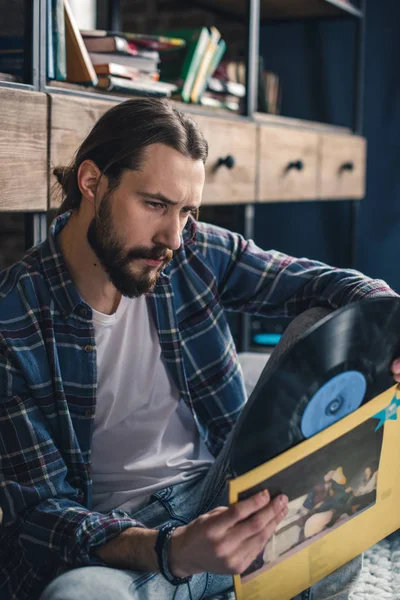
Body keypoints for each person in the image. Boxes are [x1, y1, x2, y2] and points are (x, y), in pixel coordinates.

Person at [0, 98, 399, 600]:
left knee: (327, 323)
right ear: (91, 182)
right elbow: (40, 516)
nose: (172, 236)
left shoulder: (192, 250)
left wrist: (393, 324)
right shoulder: (13, 317)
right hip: (126, 539)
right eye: (155, 205)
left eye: (187, 211)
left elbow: (314, 281)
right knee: (77, 595)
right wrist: (173, 549)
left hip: (225, 496)